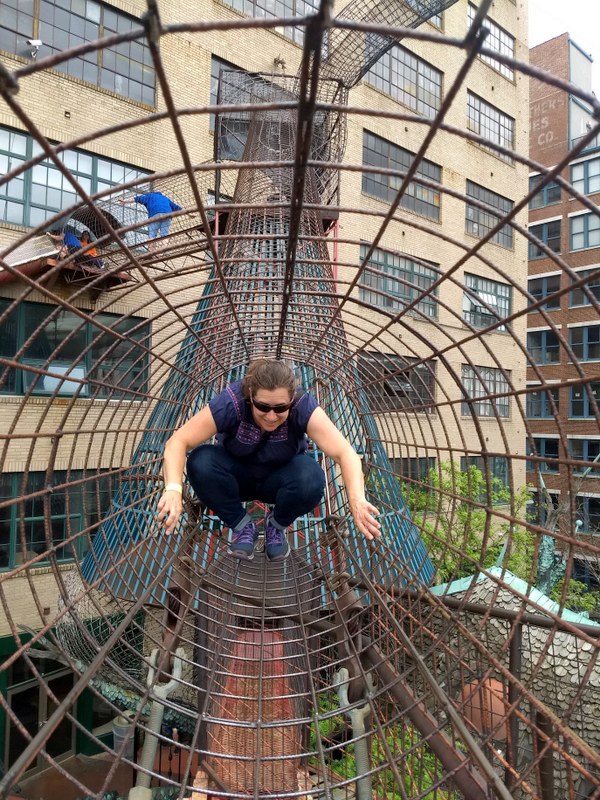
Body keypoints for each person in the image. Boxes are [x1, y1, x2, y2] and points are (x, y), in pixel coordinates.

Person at [158, 358, 381, 562]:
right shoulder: (232, 402)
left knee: (311, 476)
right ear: (250, 395)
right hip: (235, 478)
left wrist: (357, 499)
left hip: (280, 480)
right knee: (201, 461)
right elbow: (177, 442)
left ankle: (276, 525)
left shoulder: (303, 405)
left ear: (291, 400)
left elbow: (346, 452)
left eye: (281, 407)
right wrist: (173, 489)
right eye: (263, 406)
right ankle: (242, 525)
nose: (271, 415)